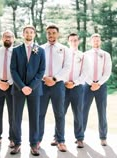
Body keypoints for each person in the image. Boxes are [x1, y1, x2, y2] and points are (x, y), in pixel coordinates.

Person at [10, 25, 45, 156]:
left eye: (31, 32)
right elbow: (13, 70)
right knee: (16, 117)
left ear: (34, 34)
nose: (29, 34)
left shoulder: (40, 50)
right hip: (19, 89)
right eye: (26, 32)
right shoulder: (16, 50)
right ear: (23, 34)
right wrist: (22, 86)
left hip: (34, 90)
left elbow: (42, 71)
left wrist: (30, 87)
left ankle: (34, 144)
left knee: (34, 117)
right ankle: (17, 143)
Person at [39, 24, 71, 152]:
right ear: (46, 34)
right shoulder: (40, 49)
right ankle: (37, 140)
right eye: (49, 33)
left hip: (58, 85)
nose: (51, 35)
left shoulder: (64, 49)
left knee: (59, 114)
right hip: (42, 84)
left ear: (58, 34)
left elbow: (67, 67)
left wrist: (55, 79)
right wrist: (45, 78)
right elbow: (36, 67)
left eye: (53, 33)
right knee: (40, 114)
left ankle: (60, 140)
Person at [83, 33, 112, 146]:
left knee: (102, 112)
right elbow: (84, 71)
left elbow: (107, 71)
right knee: (83, 111)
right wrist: (91, 83)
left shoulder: (106, 55)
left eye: (98, 40)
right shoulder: (85, 55)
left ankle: (103, 137)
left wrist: (98, 83)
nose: (96, 42)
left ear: (100, 41)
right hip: (87, 85)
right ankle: (80, 136)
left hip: (101, 86)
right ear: (91, 42)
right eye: (94, 40)